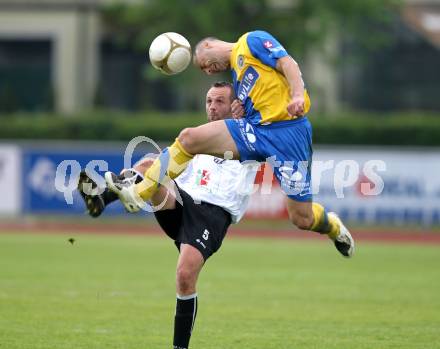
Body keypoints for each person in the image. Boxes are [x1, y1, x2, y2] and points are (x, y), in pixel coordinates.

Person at [106, 30, 354, 259]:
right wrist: (242, 110)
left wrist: (298, 94)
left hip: (289, 135)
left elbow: (288, 63)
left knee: (301, 217)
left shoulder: (251, 41)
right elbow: (258, 104)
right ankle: (138, 194)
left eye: (205, 64)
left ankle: (332, 226)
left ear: (210, 46)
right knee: (189, 138)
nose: (209, 71)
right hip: (257, 132)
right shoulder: (237, 75)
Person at [78, 82, 258, 349]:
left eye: (219, 101)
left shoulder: (249, 138)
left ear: (234, 106)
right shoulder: (197, 139)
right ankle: (104, 198)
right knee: (151, 162)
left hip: (212, 215)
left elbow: (266, 120)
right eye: (208, 101)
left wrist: (248, 116)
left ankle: (179, 347)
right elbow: (171, 165)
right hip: (180, 202)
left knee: (185, 277)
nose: (212, 107)